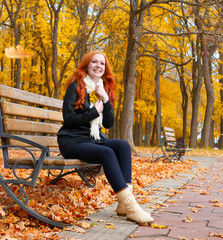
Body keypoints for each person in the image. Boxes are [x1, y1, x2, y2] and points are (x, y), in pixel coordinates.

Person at [57, 50, 154, 224]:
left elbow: (108, 123)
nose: (98, 66)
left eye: (102, 63)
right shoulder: (76, 85)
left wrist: (105, 100)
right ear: (86, 65)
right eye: (94, 62)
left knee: (122, 145)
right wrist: (94, 111)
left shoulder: (101, 87)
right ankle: (130, 206)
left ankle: (123, 205)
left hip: (91, 139)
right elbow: (69, 119)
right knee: (107, 152)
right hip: (72, 141)